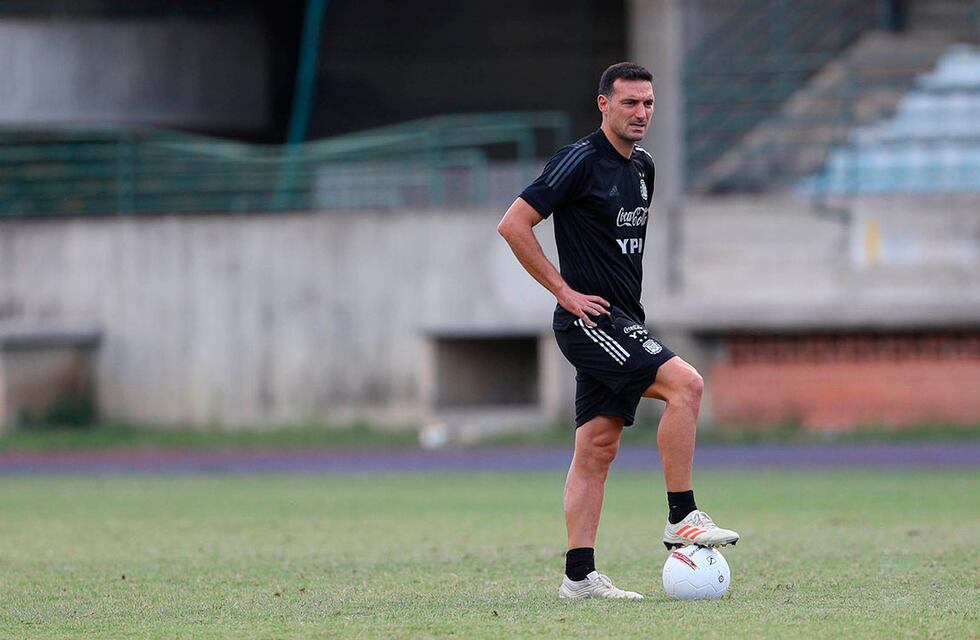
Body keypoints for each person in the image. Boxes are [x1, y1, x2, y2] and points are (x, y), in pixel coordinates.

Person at [497, 62, 739, 600]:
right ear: (603, 104)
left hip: (626, 318)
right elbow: (513, 223)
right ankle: (682, 516)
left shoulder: (645, 167)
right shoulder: (579, 161)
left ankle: (579, 577)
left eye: (648, 103)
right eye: (629, 103)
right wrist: (565, 293)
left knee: (597, 448)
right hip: (591, 321)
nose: (641, 113)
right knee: (687, 384)